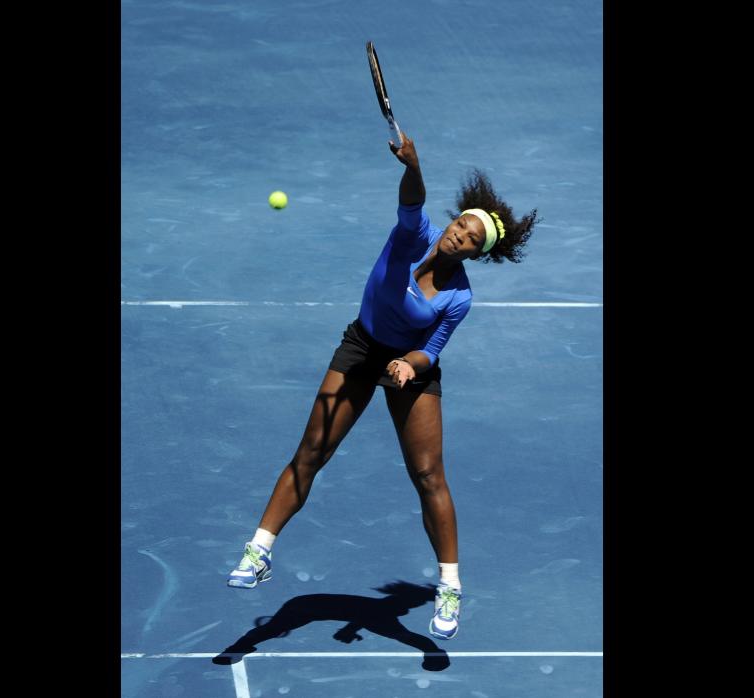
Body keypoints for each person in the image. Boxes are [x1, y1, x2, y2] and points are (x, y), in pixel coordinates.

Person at [226, 131, 538, 641]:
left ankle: (450, 589)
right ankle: (258, 551)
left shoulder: (458, 297)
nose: (459, 235)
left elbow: (431, 347)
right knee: (312, 452)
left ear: (476, 254)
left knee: (428, 474)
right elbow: (411, 197)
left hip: (408, 369)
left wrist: (410, 366)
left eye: (470, 238)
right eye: (461, 224)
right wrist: (412, 165)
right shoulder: (414, 235)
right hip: (361, 347)